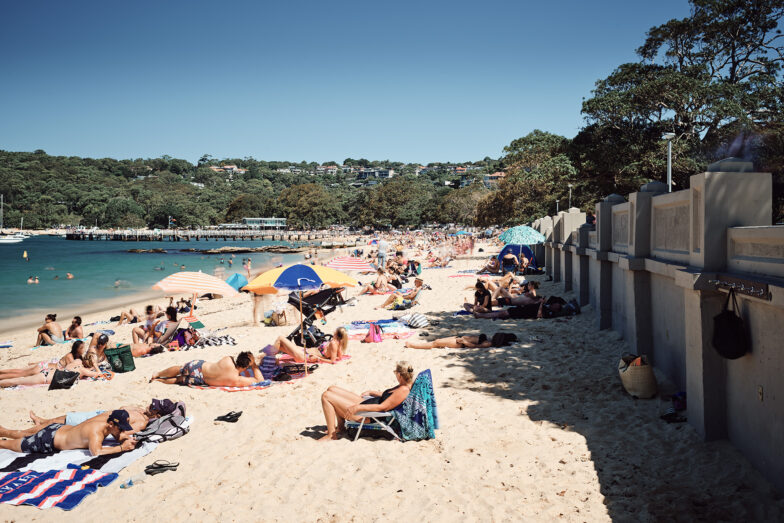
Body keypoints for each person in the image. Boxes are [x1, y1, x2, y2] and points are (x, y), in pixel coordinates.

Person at [318, 361, 414, 441]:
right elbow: (389, 396)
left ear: (400, 375)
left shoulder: (403, 390)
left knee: (326, 396)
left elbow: (383, 407)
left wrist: (358, 407)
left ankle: (331, 435)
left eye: (395, 372)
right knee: (332, 389)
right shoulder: (403, 385)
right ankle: (341, 427)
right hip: (370, 404)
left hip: (368, 415)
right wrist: (372, 392)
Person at [6, 399, 174, 440]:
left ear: (157, 415)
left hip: (97, 422)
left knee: (56, 426)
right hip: (98, 413)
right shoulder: (140, 410)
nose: (149, 405)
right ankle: (41, 421)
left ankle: (15, 433)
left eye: (154, 407)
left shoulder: (142, 422)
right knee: (62, 418)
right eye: (152, 403)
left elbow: (126, 434)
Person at [0, 409, 136, 456]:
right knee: (8, 445)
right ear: (112, 424)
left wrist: (123, 438)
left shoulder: (105, 422)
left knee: (23, 434)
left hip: (56, 429)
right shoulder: (96, 432)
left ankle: (3, 430)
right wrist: (121, 448)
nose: (123, 431)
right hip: (49, 440)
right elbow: (96, 452)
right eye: (121, 428)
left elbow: (117, 434)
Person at [150, 351, 264, 387]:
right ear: (246, 367)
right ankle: (158, 381)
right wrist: (254, 365)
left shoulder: (228, 360)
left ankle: (158, 374)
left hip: (199, 367)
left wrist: (249, 360)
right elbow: (260, 380)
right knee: (179, 380)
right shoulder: (236, 380)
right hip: (200, 380)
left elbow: (238, 359)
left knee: (180, 369)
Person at [0, 353, 106, 388]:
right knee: (16, 381)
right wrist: (96, 365)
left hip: (48, 371)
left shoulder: (77, 361)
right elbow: (99, 374)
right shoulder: (83, 371)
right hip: (47, 378)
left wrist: (93, 364)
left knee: (18, 375)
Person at [405, 334, 492, 349]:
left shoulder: (488, 343)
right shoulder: (490, 339)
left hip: (460, 344)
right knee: (437, 341)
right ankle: (414, 345)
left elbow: (476, 346)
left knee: (436, 343)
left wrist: (465, 342)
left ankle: (413, 346)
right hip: (460, 339)